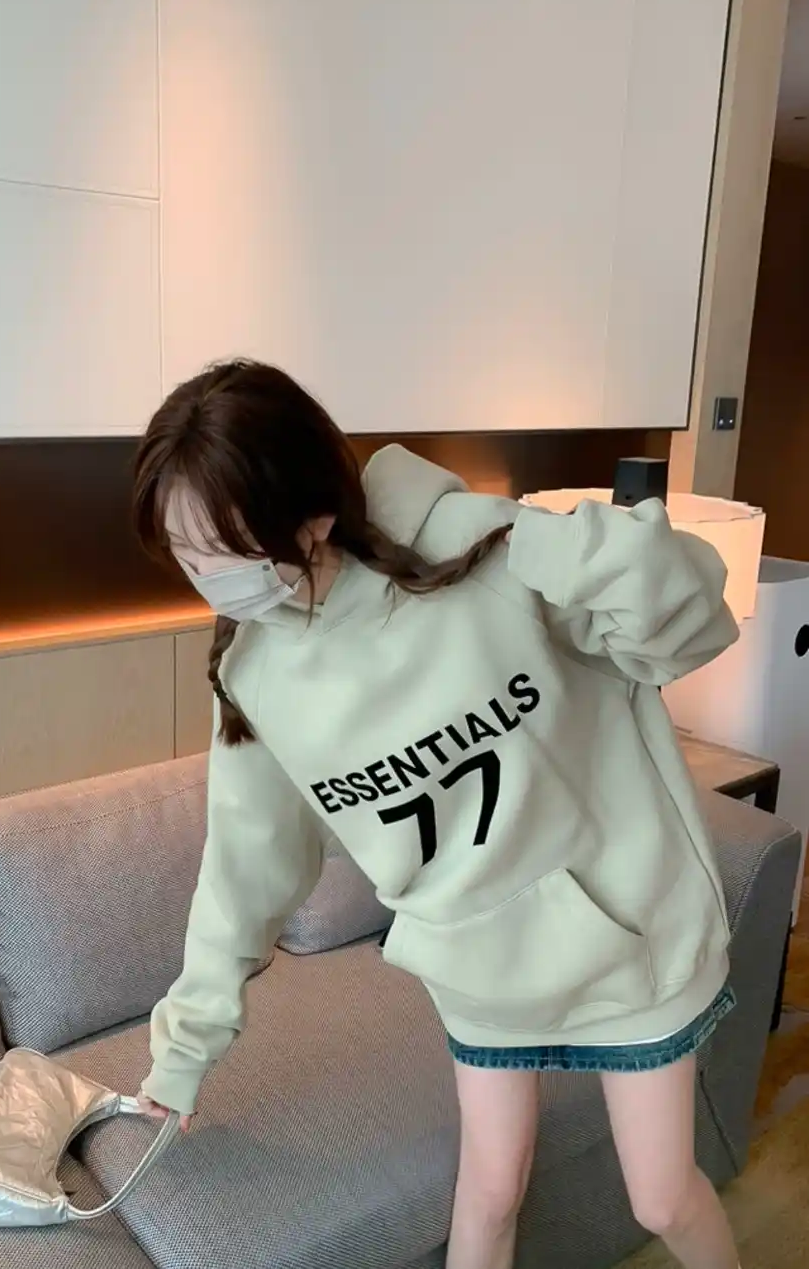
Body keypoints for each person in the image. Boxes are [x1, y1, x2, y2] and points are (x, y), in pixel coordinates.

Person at [131, 359, 743, 1269]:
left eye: (224, 548)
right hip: (478, 970)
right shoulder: (253, 677)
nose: (208, 578)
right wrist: (183, 1052)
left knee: (662, 1194)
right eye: (187, 556)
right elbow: (242, 875)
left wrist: (581, 549)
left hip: (627, 935)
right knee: (488, 1194)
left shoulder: (471, 548)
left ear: (311, 517)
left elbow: (684, 626)